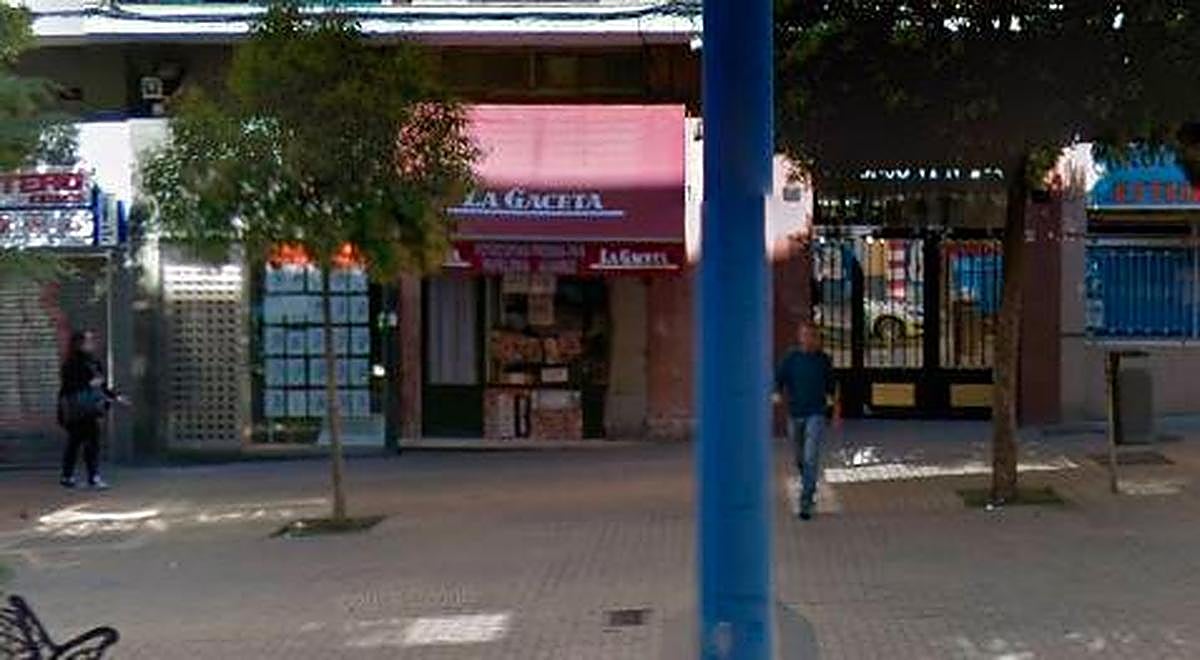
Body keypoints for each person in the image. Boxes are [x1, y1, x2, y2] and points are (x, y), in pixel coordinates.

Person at [774, 322, 839, 520]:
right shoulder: (791, 358)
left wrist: (834, 412)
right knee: (800, 457)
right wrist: (776, 393)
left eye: (813, 336)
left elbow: (831, 387)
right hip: (795, 413)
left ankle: (806, 499)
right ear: (800, 337)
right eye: (805, 335)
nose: (809, 339)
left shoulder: (823, 360)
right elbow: (779, 378)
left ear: (817, 338)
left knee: (811, 456)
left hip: (816, 413)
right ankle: (807, 480)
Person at [58, 330, 127, 490]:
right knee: (82, 442)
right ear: (78, 344)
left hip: (91, 408)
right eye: (87, 340)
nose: (91, 343)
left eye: (91, 340)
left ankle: (72, 476)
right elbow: (68, 386)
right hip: (77, 408)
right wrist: (88, 384)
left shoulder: (94, 363)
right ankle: (88, 477)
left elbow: (102, 386)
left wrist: (116, 397)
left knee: (80, 442)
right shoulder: (71, 364)